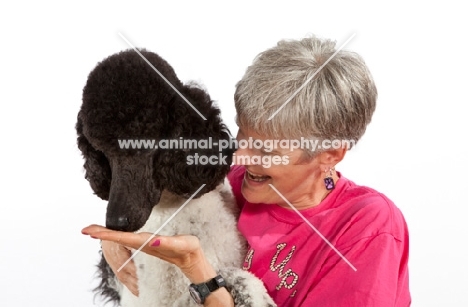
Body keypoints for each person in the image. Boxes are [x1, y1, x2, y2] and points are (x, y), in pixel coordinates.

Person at [83, 35, 411, 306]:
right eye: (243, 134)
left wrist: (196, 270)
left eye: (266, 150)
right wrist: (116, 243)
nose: (239, 155)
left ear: (330, 154)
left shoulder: (368, 227)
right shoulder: (233, 185)